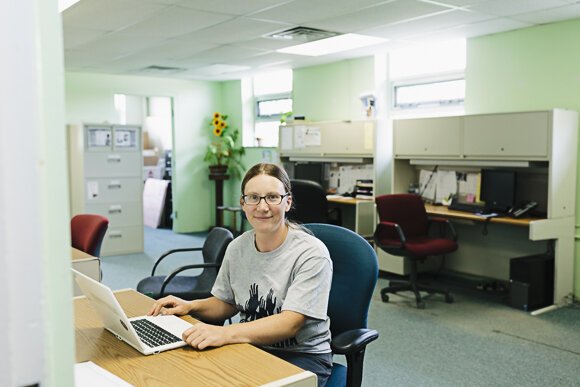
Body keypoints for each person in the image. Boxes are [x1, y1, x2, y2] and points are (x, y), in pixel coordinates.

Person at [149, 162, 333, 385]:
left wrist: (226, 334)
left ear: (288, 202)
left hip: (302, 356)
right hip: (251, 346)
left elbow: (289, 323)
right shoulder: (237, 248)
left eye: (273, 197)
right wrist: (191, 306)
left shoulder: (311, 253)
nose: (262, 207)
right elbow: (226, 303)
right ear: (243, 204)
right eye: (253, 197)